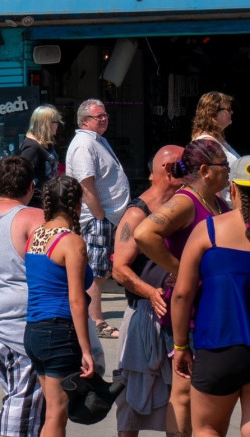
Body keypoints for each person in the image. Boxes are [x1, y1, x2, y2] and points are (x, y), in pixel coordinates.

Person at [131, 138, 231, 437]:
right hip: (189, 310)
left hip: (209, 309)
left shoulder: (218, 201)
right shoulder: (186, 201)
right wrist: (181, 269)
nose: (227, 171)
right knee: (185, 390)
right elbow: (144, 233)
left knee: (199, 393)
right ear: (205, 170)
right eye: (223, 166)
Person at [169, 155, 250, 437]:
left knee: (207, 429)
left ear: (234, 190)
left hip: (218, 347)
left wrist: (180, 347)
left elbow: (181, 295)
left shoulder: (210, 230)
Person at [110, 145, 184, 437]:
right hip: (145, 315)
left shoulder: (183, 205)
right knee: (131, 399)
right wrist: (151, 292)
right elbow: (119, 270)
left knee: (178, 399)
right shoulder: (136, 213)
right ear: (167, 170)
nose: (191, 171)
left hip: (177, 316)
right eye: (184, 166)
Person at [0, 157, 49, 437]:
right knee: (24, 397)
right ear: (30, 187)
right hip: (24, 321)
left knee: (17, 392)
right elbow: (53, 268)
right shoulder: (32, 217)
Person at [24, 175, 96, 437]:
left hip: (35, 331)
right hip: (58, 331)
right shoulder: (72, 242)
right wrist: (86, 350)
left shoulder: (35, 236)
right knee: (57, 413)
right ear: (77, 204)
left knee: (51, 411)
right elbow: (76, 299)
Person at [65, 98, 129, 340]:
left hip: (106, 218)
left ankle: (94, 318)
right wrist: (100, 217)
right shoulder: (83, 143)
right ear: (84, 121)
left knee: (101, 271)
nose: (104, 119)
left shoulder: (97, 140)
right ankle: (96, 320)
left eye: (105, 115)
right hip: (95, 218)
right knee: (96, 272)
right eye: (98, 116)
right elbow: (86, 183)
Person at [190, 91, 237, 202]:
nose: (231, 112)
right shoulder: (206, 143)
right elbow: (210, 182)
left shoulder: (220, 140)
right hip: (227, 208)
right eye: (228, 109)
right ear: (212, 113)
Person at [19, 105, 63, 209]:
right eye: (55, 122)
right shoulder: (31, 147)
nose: (58, 126)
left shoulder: (48, 143)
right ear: (47, 124)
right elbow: (22, 176)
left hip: (50, 199)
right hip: (37, 203)